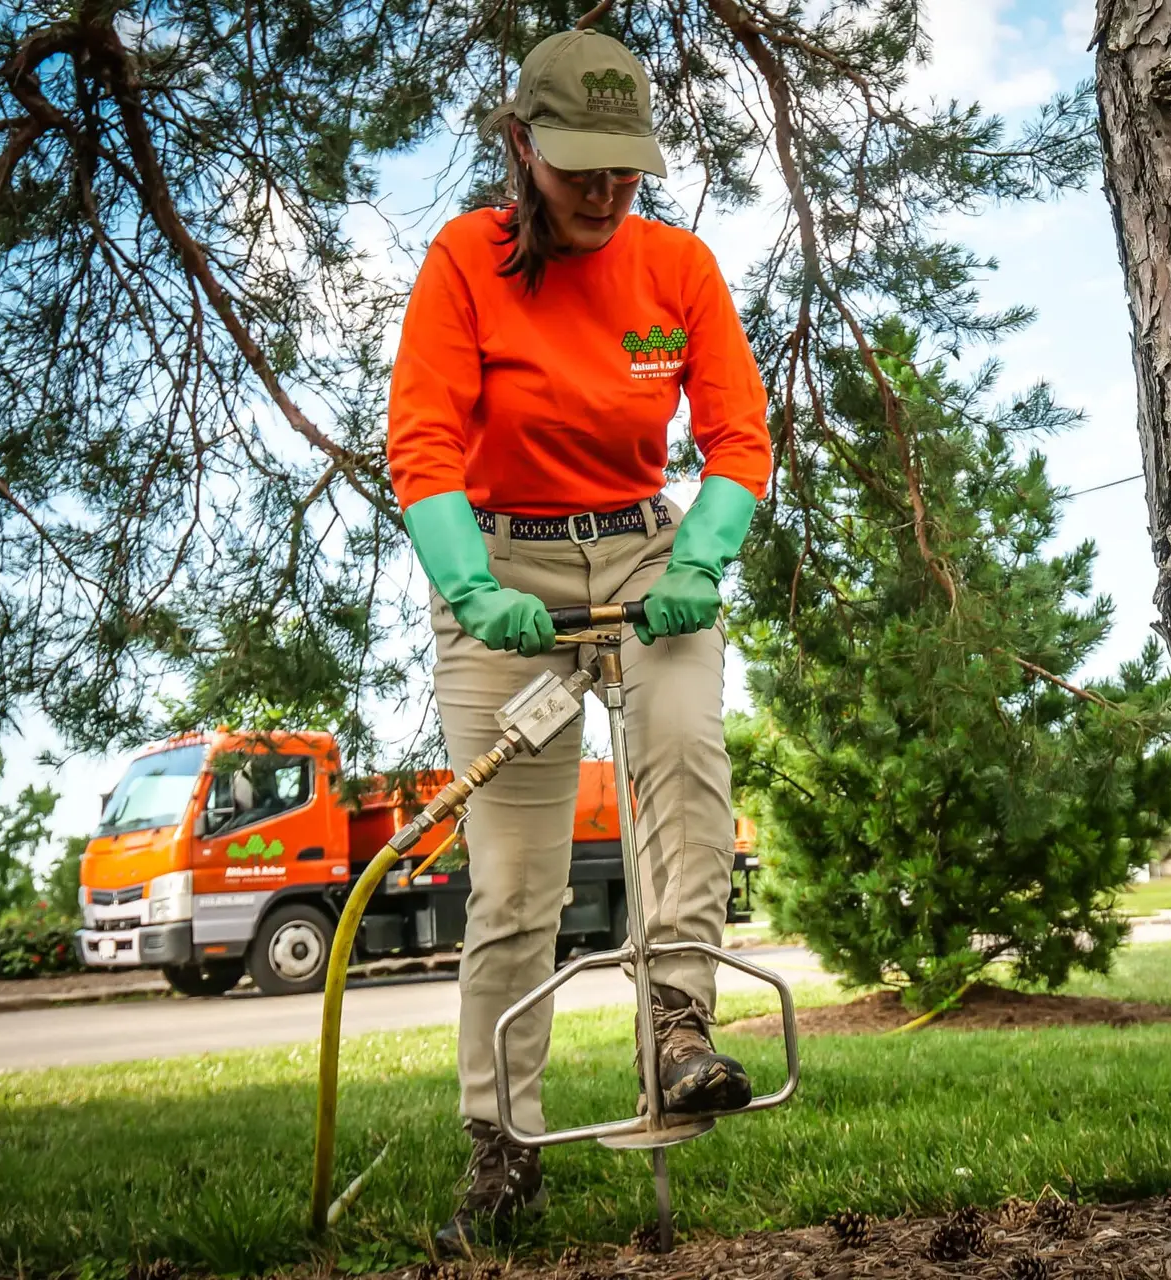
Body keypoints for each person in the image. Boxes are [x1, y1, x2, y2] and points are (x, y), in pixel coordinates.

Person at [385, 27, 771, 1254]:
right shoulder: (466, 263)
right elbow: (424, 447)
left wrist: (700, 557)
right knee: (514, 879)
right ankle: (503, 1148)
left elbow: (738, 440)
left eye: (625, 168)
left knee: (684, 758)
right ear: (521, 146)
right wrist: (469, 581)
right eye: (579, 168)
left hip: (648, 555)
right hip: (503, 566)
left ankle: (678, 1029)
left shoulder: (679, 269)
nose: (606, 192)